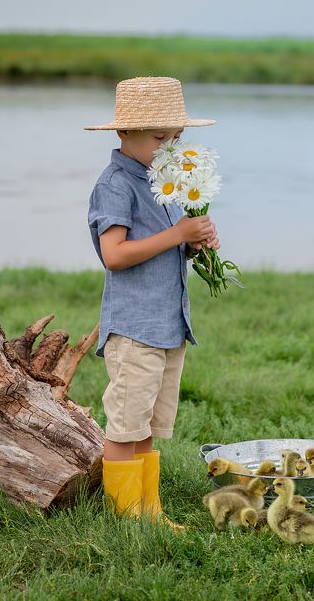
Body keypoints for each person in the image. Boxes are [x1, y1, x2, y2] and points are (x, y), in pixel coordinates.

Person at [85, 77, 220, 529]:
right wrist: (177, 234)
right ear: (124, 134)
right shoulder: (115, 185)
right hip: (135, 329)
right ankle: (127, 520)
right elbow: (115, 255)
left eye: (176, 139)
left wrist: (193, 242)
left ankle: (149, 511)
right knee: (125, 426)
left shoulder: (162, 181)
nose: (169, 148)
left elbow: (165, 246)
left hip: (167, 326)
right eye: (160, 138)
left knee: (147, 426)